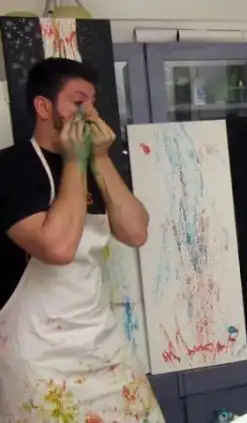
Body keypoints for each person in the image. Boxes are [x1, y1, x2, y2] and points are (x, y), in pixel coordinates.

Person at [0, 58, 165, 422]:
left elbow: (136, 232)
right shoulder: (11, 168)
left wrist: (99, 158)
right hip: (38, 356)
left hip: (100, 339)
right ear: (43, 107)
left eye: (93, 103)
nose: (90, 114)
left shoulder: (96, 165)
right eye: (78, 103)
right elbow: (58, 248)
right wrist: (75, 160)